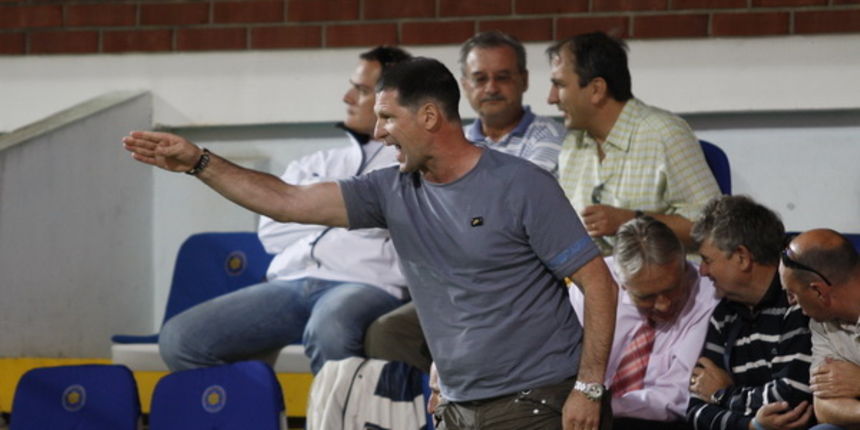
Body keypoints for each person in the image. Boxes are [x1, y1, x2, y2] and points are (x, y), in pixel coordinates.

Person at [123, 57, 618, 430]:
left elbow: (599, 285)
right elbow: (287, 201)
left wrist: (589, 388)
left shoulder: (521, 184)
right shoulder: (391, 189)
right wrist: (199, 163)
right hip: (459, 407)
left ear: (428, 117)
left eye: (387, 118)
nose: (378, 133)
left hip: (539, 402)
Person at [155, 46, 413, 375]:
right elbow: (273, 231)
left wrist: (305, 210)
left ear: (391, 99)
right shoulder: (317, 162)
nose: (347, 97)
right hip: (291, 281)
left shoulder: (409, 163)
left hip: (366, 285)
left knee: (329, 330)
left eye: (361, 90)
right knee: (181, 340)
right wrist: (345, 219)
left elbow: (398, 229)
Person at [364, 30, 566, 374]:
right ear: (463, 85)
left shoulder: (548, 143)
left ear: (524, 80)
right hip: (445, 284)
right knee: (388, 332)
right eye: (480, 78)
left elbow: (501, 215)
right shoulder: (443, 142)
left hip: (513, 286)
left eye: (502, 77)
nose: (491, 88)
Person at [547, 32, 721, 255]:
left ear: (596, 90)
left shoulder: (664, 134)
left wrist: (631, 221)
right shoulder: (573, 144)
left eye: (559, 85)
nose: (551, 98)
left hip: (665, 284)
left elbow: (713, 228)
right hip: (595, 282)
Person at [569, 216, 719, 429]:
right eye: (647, 296)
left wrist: (600, 407)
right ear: (622, 284)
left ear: (684, 266)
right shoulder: (593, 288)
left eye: (671, 289)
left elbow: (677, 395)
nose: (664, 305)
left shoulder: (709, 294)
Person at [686, 195, 813, 430]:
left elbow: (789, 400)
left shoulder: (798, 300)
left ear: (742, 257)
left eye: (706, 260)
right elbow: (695, 410)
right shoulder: (724, 315)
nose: (702, 271)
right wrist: (750, 426)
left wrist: (722, 396)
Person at [780, 229, 860, 430]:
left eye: (792, 294)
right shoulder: (821, 321)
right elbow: (823, 407)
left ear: (818, 291)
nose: (791, 304)